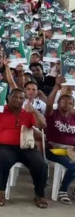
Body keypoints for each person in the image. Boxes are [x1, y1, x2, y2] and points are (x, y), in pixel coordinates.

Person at [0, 88, 49, 208]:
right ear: (8, 97)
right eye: (15, 97)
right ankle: (0, 192)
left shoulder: (28, 112)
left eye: (21, 98)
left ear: (24, 100)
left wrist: (34, 112)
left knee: (41, 164)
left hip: (26, 146)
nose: (18, 100)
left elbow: (42, 125)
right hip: (4, 146)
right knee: (2, 160)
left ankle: (39, 195)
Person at [44, 77, 75, 205]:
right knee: (73, 166)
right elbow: (49, 104)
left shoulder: (73, 116)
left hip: (71, 150)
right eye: (63, 101)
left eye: (70, 103)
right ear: (59, 102)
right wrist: (57, 87)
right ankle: (62, 190)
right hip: (54, 150)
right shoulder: (53, 114)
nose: (66, 104)